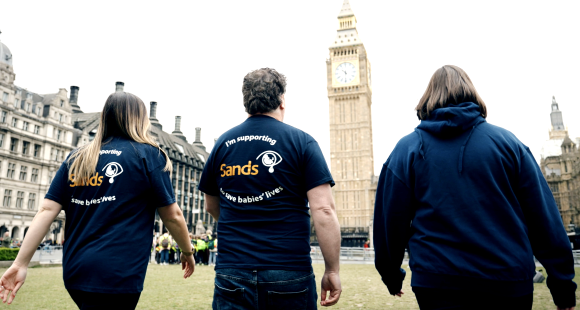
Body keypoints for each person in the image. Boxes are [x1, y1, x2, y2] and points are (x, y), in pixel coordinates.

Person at [373, 65, 577, 310]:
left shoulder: (406, 150)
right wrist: (563, 285)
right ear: (472, 95)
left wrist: (391, 275)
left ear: (428, 98)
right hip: (508, 283)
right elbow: (544, 218)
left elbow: (389, 222)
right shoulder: (509, 144)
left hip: (437, 284)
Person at [0, 92, 195, 308]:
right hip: (119, 272)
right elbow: (173, 216)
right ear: (140, 119)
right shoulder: (149, 155)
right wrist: (187, 251)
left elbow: (46, 210)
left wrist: (20, 263)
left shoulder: (77, 157)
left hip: (76, 270)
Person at [199, 68, 342, 309]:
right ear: (282, 100)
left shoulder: (222, 145)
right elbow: (324, 210)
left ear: (246, 102)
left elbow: (211, 206)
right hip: (288, 270)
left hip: (232, 269)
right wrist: (332, 269)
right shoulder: (302, 142)